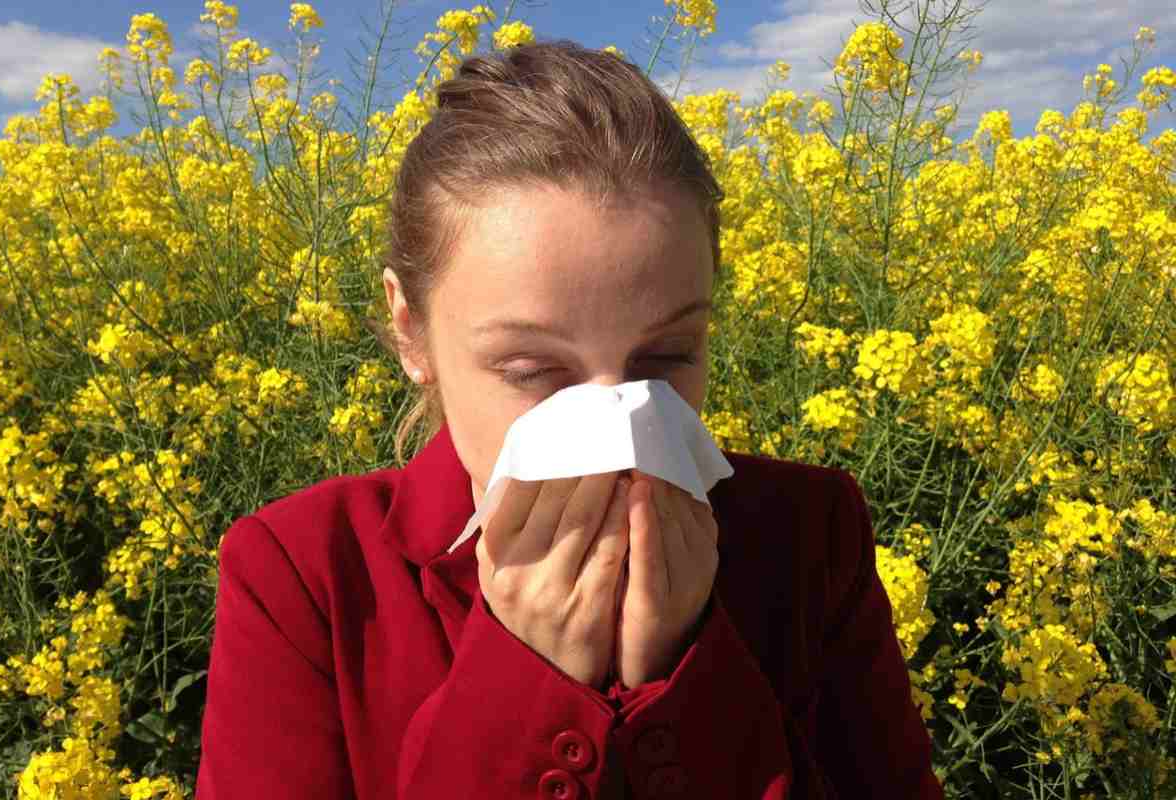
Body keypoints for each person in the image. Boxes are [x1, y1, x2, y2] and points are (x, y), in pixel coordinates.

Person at [195, 39, 944, 799]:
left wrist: (687, 669)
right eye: (531, 371)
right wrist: (528, 680)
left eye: (667, 359)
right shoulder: (307, 575)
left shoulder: (807, 535)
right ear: (410, 332)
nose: (618, 429)